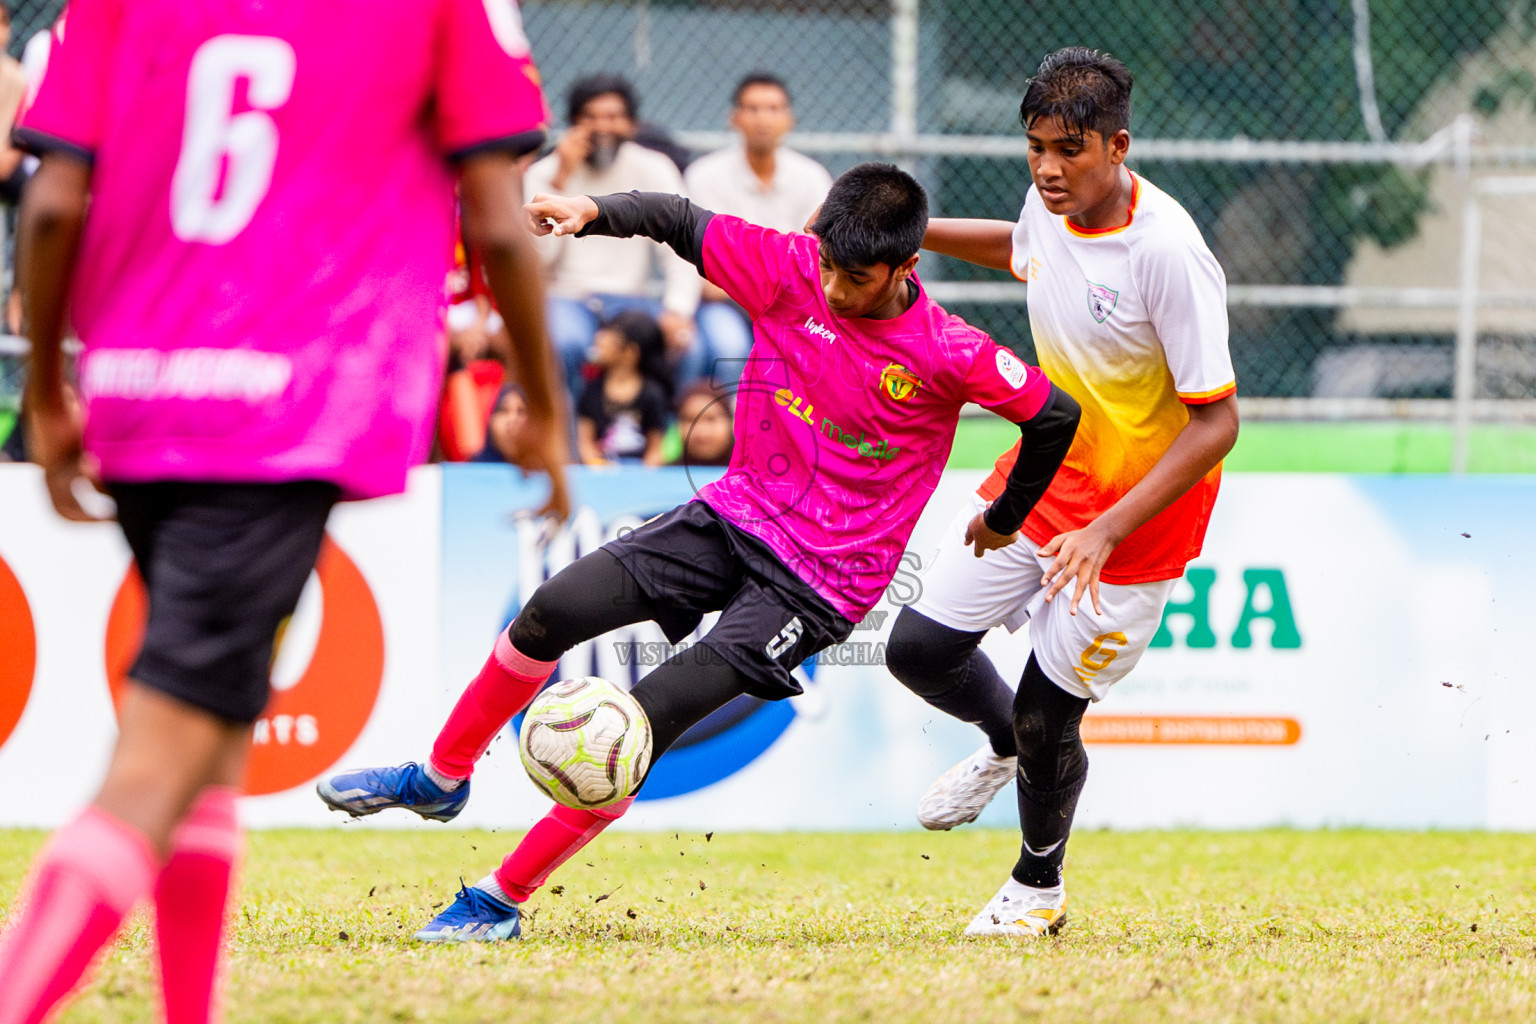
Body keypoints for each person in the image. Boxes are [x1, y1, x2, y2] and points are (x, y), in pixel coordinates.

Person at [318, 161, 1083, 943]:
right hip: (731, 516)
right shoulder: (792, 270)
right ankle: (441, 778)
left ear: (905, 268)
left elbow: (1054, 414)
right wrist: (591, 207)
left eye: (856, 278)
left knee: (640, 729)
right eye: (828, 266)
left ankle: (499, 900)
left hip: (818, 585)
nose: (836, 289)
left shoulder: (949, 349)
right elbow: (677, 218)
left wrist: (1006, 515)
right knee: (549, 612)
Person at [0, 0, 567, 1020]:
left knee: (214, 745)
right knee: (156, 765)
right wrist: (545, 403)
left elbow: (48, 206)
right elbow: (498, 218)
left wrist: (47, 391)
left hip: (137, 391)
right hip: (284, 409)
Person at [882, 47, 1239, 939]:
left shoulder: (1167, 252)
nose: (1047, 167)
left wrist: (1108, 530)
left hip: (1135, 526)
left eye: (1069, 149)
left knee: (1052, 716)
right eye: (1035, 146)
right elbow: (1020, 249)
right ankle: (1001, 744)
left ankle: (1037, 888)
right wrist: (910, 233)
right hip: (1046, 483)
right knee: (918, 649)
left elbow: (1218, 423)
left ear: (1117, 146)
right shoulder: (1051, 204)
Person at [526, 74, 701, 398]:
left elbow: (683, 244)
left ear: (632, 125)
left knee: (688, 347)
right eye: (590, 117)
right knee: (565, 344)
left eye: (613, 117)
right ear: (573, 124)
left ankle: (665, 443)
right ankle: (570, 444)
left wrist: (677, 310)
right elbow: (537, 259)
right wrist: (560, 180)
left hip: (632, 302)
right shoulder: (546, 172)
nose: (602, 127)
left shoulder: (654, 167)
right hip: (567, 299)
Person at [684, 73, 833, 387]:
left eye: (773, 108)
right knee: (729, 348)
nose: (763, 118)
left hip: (793, 307)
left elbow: (819, 262)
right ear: (733, 118)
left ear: (789, 119)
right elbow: (704, 275)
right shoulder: (705, 175)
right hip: (723, 303)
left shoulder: (812, 177)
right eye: (752, 109)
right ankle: (731, 435)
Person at [576, 309, 670, 466]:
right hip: (600, 475)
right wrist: (597, 465)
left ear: (630, 352)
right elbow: (585, 442)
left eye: (608, 335)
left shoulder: (652, 395)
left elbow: (656, 449)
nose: (599, 339)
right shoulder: (592, 390)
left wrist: (644, 474)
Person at [670, 380, 734, 467]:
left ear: (729, 421)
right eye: (690, 420)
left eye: (710, 419)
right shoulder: (666, 474)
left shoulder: (753, 476)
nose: (702, 431)